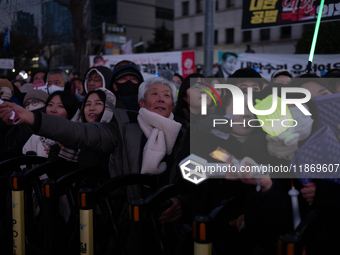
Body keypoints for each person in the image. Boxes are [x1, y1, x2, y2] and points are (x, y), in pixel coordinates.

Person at [22, 91, 79, 158]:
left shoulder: (77, 136)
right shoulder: (37, 135)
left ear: (71, 111)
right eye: (50, 105)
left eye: (60, 106)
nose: (53, 110)